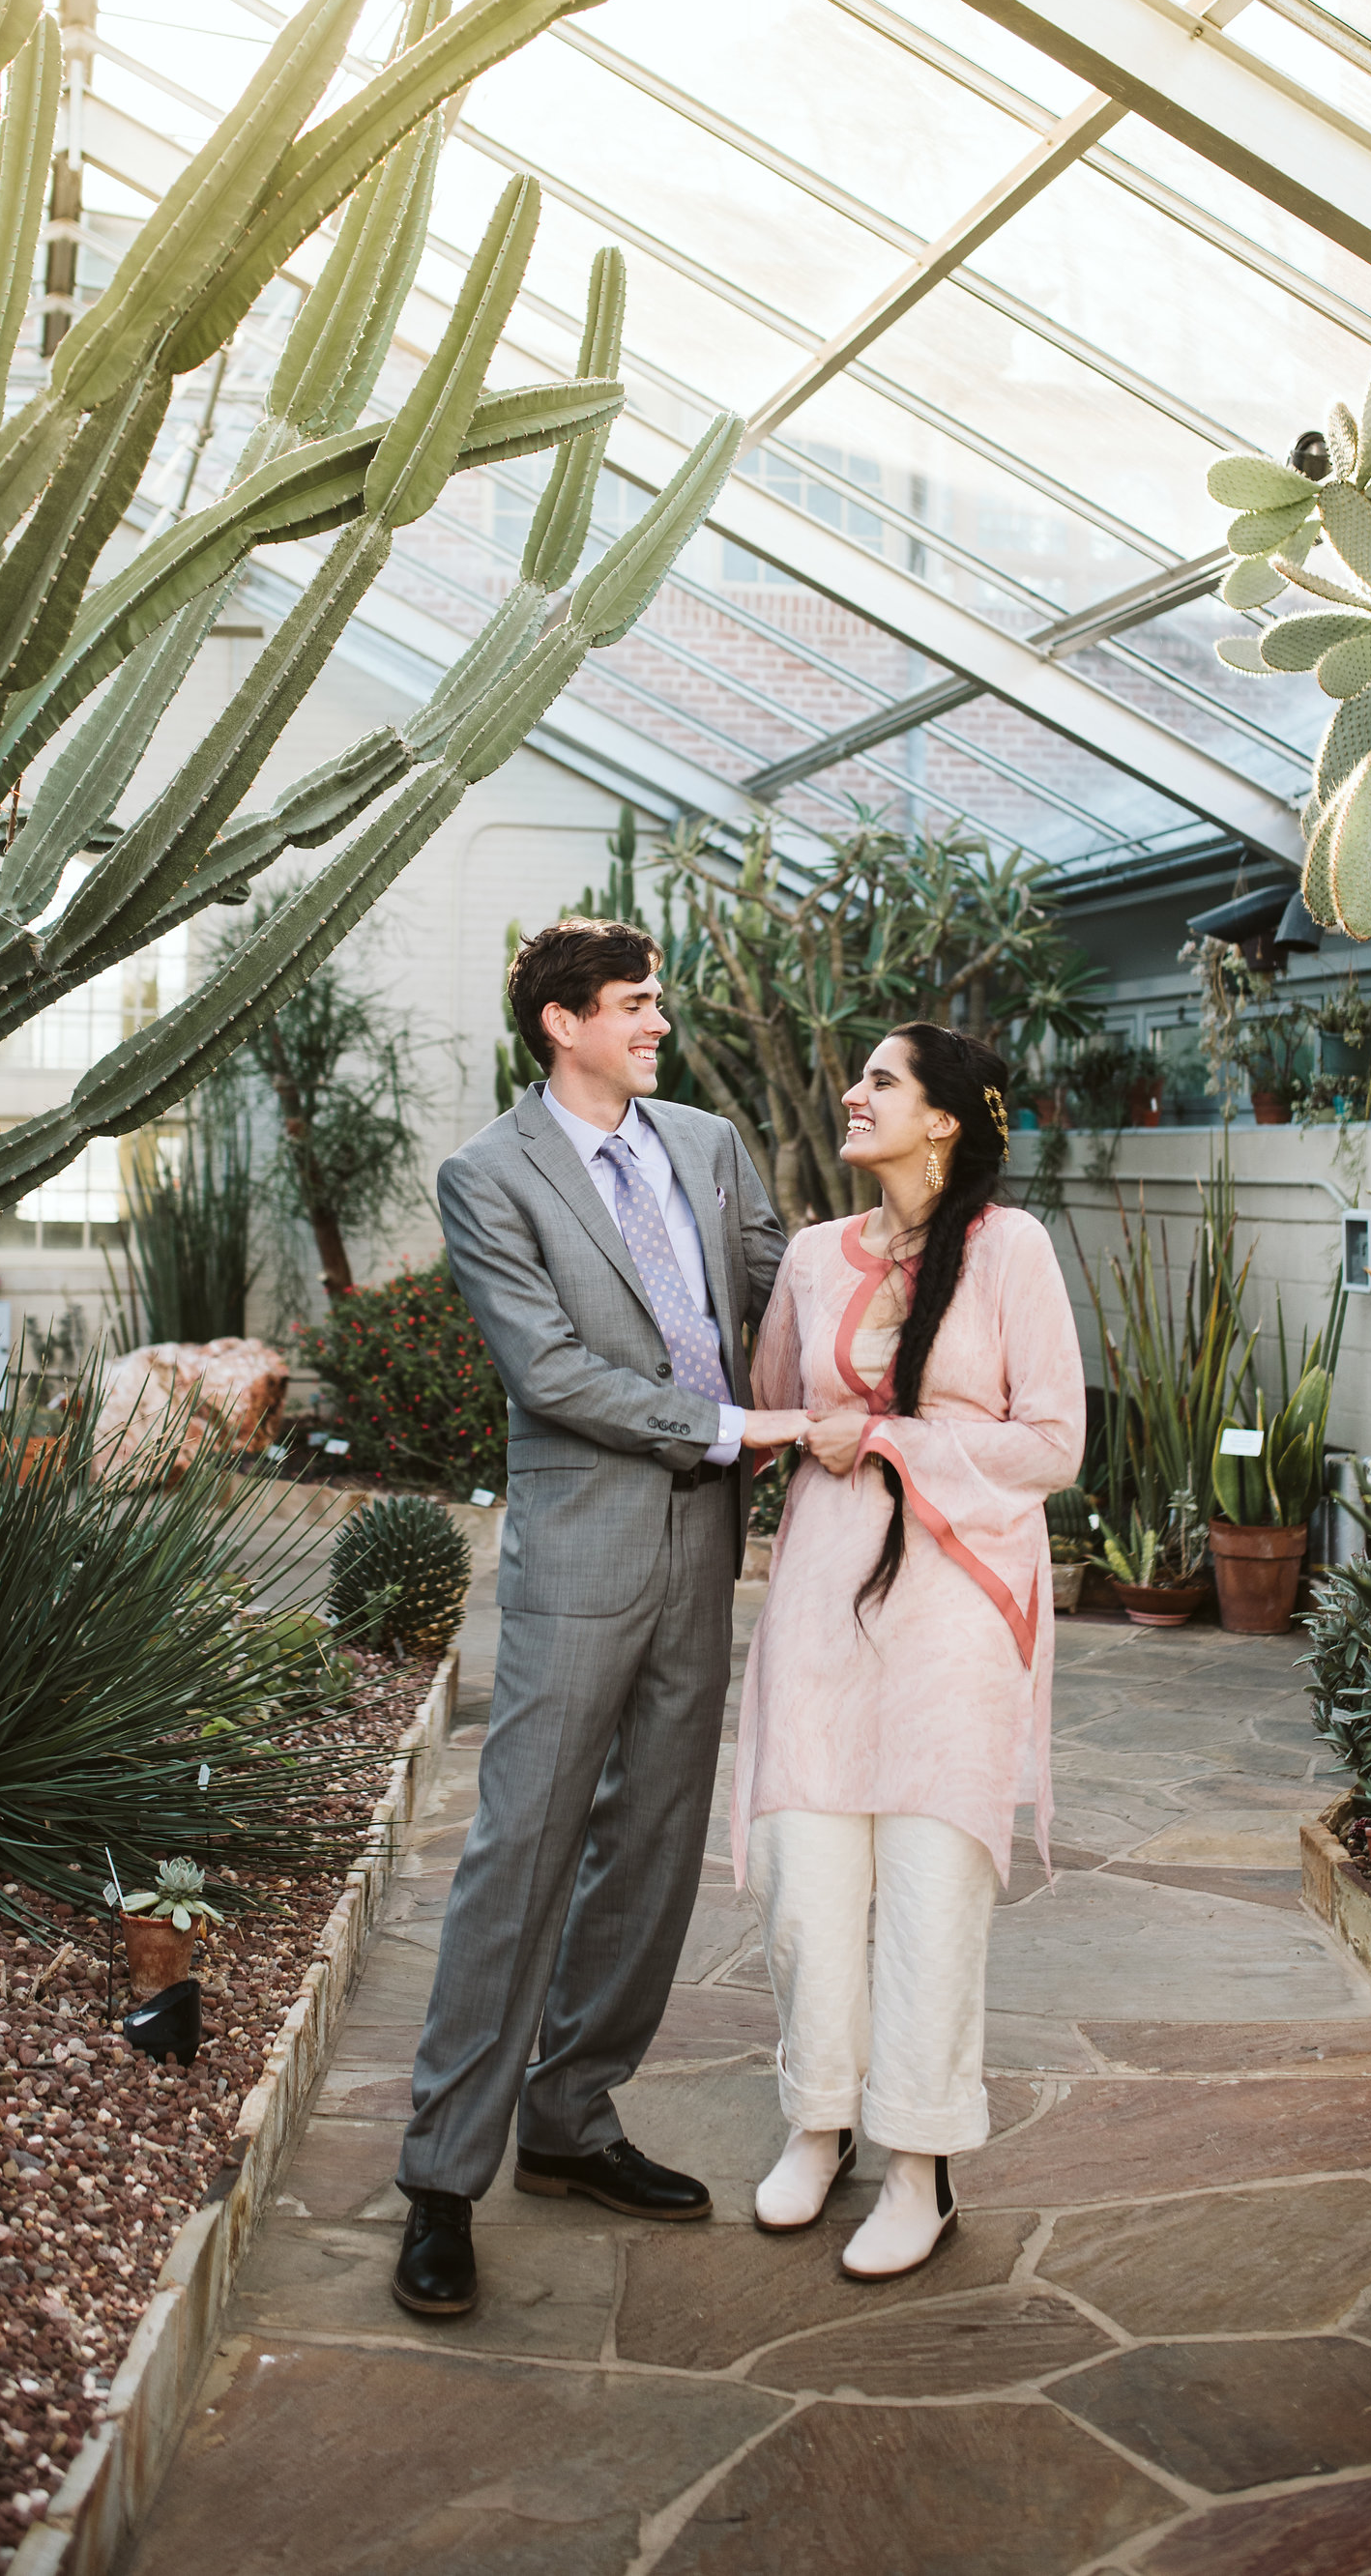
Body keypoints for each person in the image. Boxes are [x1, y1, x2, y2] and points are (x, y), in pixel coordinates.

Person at [392, 916, 802, 2317]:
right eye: (635, 1004)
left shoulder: (706, 1144)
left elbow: (785, 1281)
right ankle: (442, 2179)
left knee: (655, 1847)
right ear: (561, 1023)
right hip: (580, 1545)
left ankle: (572, 2122)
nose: (659, 1024)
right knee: (522, 1851)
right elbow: (550, 1369)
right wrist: (732, 1424)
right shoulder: (486, 1178)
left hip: (701, 1548)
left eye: (659, 1001)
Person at [732, 1024, 1084, 2278]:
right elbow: (778, 1411)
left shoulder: (1011, 1251)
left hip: (955, 1612)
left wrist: (892, 1444)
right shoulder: (820, 1259)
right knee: (804, 1878)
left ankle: (921, 2167)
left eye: (881, 1079)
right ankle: (818, 2123)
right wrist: (816, 1430)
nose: (853, 1092)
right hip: (825, 1603)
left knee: (933, 1887)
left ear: (945, 1119)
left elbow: (1054, 1444)